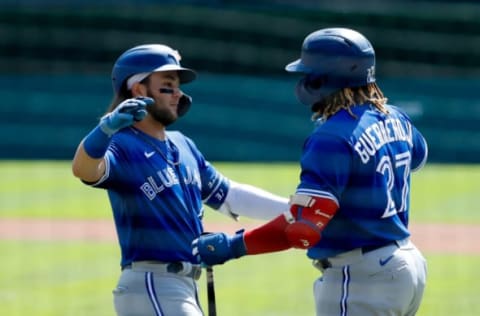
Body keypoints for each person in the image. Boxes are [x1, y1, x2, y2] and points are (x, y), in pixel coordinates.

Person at [193, 28, 428, 316]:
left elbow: (303, 230)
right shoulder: (397, 117)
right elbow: (416, 159)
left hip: (362, 278)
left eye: (309, 73)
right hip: (408, 266)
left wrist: (233, 245)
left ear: (325, 77)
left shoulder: (331, 136)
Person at [71, 44, 289, 316]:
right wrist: (104, 129)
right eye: (168, 85)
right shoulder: (123, 144)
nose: (178, 94)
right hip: (152, 284)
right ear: (138, 89)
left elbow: (230, 195)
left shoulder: (182, 145)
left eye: (178, 86)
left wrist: (292, 210)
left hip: (182, 288)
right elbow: (84, 170)